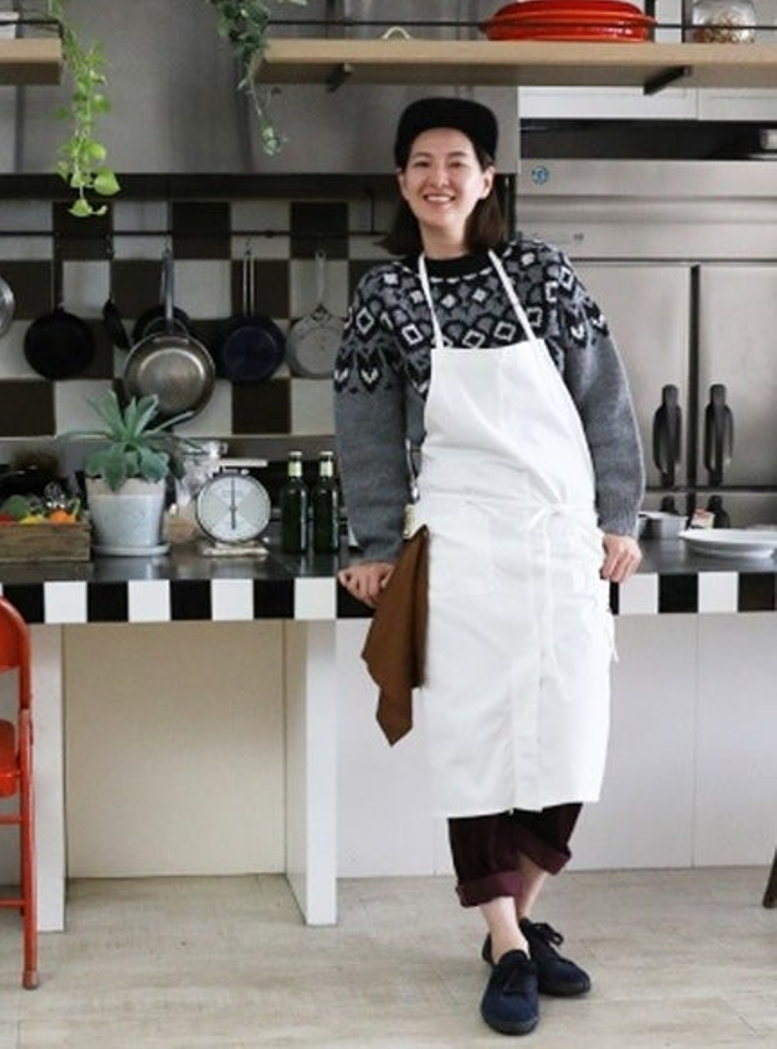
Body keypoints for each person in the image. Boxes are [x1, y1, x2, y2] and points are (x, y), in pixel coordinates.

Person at [332, 97, 644, 1037]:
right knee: (474, 750)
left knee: (571, 743)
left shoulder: (540, 271)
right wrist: (374, 544)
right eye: (422, 163)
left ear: (486, 178)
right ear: (401, 181)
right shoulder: (386, 295)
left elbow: (604, 397)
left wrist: (619, 516)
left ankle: (521, 916)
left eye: (457, 162)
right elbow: (366, 427)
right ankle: (508, 942)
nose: (440, 178)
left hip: (557, 542)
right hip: (462, 543)